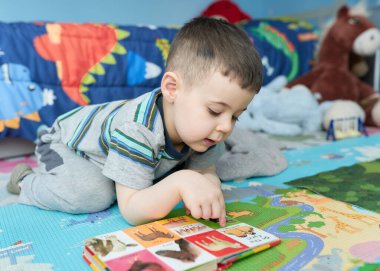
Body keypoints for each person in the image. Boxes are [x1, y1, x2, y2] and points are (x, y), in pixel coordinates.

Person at [7, 17, 262, 226]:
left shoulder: (210, 132)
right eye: (215, 110)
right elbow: (131, 210)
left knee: (158, 179)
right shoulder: (138, 131)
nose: (226, 127)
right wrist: (182, 180)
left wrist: (207, 185)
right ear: (172, 88)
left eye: (236, 116)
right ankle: (25, 181)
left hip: (113, 147)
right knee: (92, 195)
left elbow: (205, 171)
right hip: (65, 143)